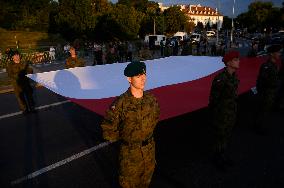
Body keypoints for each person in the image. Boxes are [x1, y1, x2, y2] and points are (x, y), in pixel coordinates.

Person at [101, 61, 160, 188]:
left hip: (149, 153)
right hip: (130, 158)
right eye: (138, 76)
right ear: (129, 78)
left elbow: (155, 118)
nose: (143, 78)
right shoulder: (120, 104)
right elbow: (108, 130)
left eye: (144, 74)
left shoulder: (151, 99)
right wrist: (128, 139)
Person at [208, 50, 240, 170]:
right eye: (236, 60)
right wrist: (215, 115)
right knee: (219, 137)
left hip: (230, 113)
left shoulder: (234, 77)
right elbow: (214, 99)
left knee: (226, 136)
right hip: (221, 114)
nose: (239, 61)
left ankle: (222, 155)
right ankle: (217, 158)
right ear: (229, 63)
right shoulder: (220, 79)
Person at [254, 44, 282, 134]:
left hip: (272, 92)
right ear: (272, 54)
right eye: (277, 52)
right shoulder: (267, 66)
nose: (279, 54)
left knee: (266, 110)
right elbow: (261, 81)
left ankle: (261, 125)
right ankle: (259, 127)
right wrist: (261, 93)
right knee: (263, 110)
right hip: (266, 93)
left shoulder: (274, 65)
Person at [6, 49, 36, 114]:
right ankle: (24, 109)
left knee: (29, 96)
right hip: (17, 84)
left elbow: (30, 71)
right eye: (15, 55)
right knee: (20, 97)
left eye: (17, 55)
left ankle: (32, 108)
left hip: (26, 82)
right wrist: (20, 75)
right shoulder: (10, 65)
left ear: (19, 56)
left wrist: (29, 70)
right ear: (12, 57)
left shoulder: (24, 63)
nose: (17, 56)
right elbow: (10, 74)